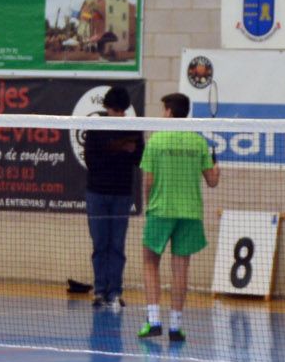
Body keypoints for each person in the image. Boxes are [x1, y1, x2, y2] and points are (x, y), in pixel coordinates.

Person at [136, 92, 217, 342]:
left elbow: (147, 181)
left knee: (150, 263)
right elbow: (213, 181)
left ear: (169, 111)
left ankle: (153, 321)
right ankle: (176, 326)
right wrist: (216, 161)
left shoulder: (156, 141)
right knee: (181, 270)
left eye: (163, 110)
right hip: (190, 213)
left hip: (161, 211)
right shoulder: (198, 142)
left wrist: (149, 206)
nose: (162, 114)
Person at [81, 85, 142, 310]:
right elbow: (91, 161)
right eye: (113, 110)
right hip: (97, 193)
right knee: (100, 244)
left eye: (121, 110)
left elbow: (139, 158)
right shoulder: (95, 126)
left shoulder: (134, 128)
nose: (117, 114)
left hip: (122, 194)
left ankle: (115, 291)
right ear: (106, 107)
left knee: (117, 245)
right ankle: (99, 292)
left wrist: (131, 151)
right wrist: (118, 149)